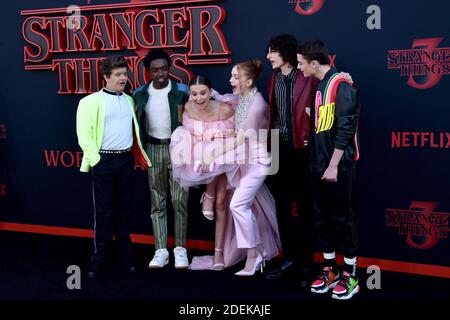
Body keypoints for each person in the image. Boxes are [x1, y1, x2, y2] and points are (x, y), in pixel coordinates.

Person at [76, 55, 151, 278]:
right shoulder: (89, 102)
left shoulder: (129, 100)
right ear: (105, 77)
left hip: (125, 161)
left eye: (125, 74)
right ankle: (99, 258)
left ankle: (126, 257)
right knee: (105, 212)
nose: (123, 78)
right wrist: (96, 160)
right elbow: (84, 135)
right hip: (104, 162)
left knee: (125, 211)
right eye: (118, 75)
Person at [297, 40, 360, 300]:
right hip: (318, 164)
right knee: (321, 218)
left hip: (338, 166)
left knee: (341, 219)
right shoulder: (321, 84)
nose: (300, 68)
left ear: (314, 63)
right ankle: (330, 269)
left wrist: (333, 165)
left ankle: (351, 275)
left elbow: (346, 129)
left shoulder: (341, 85)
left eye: (301, 63)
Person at [264, 34, 317, 284]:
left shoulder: (306, 75)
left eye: (271, 51)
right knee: (281, 207)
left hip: (301, 150)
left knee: (305, 208)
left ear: (283, 52)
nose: (268, 56)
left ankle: (308, 263)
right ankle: (289, 259)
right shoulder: (274, 78)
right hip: (277, 149)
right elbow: (274, 115)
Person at [170, 75, 235, 269]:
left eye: (203, 93)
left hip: (224, 156)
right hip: (200, 158)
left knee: (222, 203)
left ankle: (218, 254)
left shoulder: (224, 110)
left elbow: (231, 137)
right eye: (194, 94)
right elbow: (190, 134)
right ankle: (209, 193)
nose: (199, 98)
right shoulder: (189, 108)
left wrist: (211, 151)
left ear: (210, 92)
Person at [133, 49, 190, 269]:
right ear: (148, 72)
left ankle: (181, 249)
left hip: (177, 148)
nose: (161, 74)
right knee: (158, 202)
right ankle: (160, 250)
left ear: (169, 69)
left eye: (164, 69)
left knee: (179, 201)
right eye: (155, 70)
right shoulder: (140, 94)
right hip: (153, 148)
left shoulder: (182, 91)